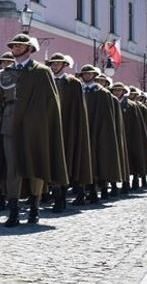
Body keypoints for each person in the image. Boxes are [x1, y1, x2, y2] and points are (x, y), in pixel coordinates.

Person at [0, 33, 67, 226]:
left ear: (29, 49)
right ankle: (14, 211)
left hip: (34, 127)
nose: (15, 49)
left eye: (19, 46)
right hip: (9, 125)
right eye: (13, 46)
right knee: (12, 168)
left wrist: (43, 125)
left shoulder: (41, 72)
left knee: (34, 167)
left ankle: (34, 207)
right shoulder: (6, 73)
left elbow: (51, 102)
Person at [48, 54, 92, 211]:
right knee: (51, 161)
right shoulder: (47, 80)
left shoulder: (73, 83)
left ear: (63, 65)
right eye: (52, 63)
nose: (54, 66)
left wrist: (74, 128)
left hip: (68, 128)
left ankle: (62, 197)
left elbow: (78, 109)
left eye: (57, 63)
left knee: (66, 161)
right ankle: (56, 195)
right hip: (50, 127)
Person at [78, 65, 122, 202]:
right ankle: (87, 191)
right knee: (84, 162)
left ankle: (102, 189)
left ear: (94, 75)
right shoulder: (79, 90)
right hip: (83, 131)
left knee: (99, 161)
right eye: (84, 74)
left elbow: (107, 116)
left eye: (89, 74)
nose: (86, 76)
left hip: (99, 132)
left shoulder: (103, 93)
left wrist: (102, 133)